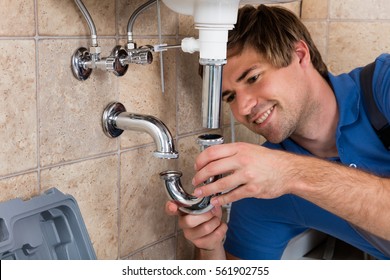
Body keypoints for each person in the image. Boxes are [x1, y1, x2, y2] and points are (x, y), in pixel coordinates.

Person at [166, 4, 390, 260]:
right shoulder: (263, 186)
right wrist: (209, 246)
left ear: (300, 54)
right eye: (230, 97)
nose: (243, 107)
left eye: (252, 78)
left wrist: (292, 173)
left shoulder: (384, 84)